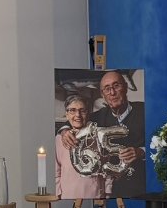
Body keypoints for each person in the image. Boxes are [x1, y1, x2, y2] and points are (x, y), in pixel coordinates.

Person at [59, 70, 146, 198]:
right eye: (107, 89)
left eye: (116, 86)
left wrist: (141, 152)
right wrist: (64, 131)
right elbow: (75, 119)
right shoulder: (99, 116)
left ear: (125, 87)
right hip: (112, 190)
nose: (112, 92)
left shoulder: (145, 110)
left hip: (141, 186)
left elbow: (162, 142)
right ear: (102, 94)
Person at [55, 95, 107, 199]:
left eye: (82, 111)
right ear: (66, 114)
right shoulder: (59, 139)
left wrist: (107, 193)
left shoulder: (99, 136)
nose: (77, 115)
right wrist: (58, 194)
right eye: (72, 110)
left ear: (88, 113)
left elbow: (107, 167)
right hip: (68, 196)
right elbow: (56, 172)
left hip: (96, 195)